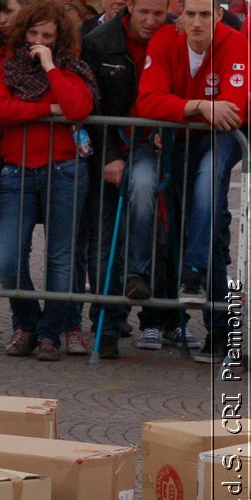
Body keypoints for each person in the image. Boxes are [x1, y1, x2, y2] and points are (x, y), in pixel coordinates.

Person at [135, 0, 248, 365]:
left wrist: (184, 107)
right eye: (191, 14)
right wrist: (199, 105)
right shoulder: (167, 40)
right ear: (180, 14)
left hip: (222, 139)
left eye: (205, 14)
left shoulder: (235, 42)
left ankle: (194, 272)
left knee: (209, 183)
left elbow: (233, 109)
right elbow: (148, 102)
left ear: (218, 15)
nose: (196, 22)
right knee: (207, 229)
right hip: (182, 141)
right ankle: (220, 329)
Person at [0, 0, 96, 360]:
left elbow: (78, 108)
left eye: (47, 36)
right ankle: (28, 322)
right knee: (6, 257)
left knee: (61, 258)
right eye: (33, 33)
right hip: (17, 170)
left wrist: (50, 68)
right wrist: (47, 110)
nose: (38, 41)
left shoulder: (71, 68)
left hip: (64, 169)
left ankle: (50, 332)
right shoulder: (9, 67)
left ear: (58, 38)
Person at [82, 0, 180, 358]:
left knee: (146, 203)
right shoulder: (100, 40)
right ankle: (105, 327)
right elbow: (95, 105)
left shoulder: (175, 33)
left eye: (159, 13)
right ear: (130, 7)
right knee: (104, 236)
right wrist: (109, 155)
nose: (152, 21)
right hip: (111, 142)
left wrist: (165, 130)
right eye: (145, 13)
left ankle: (143, 290)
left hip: (149, 146)